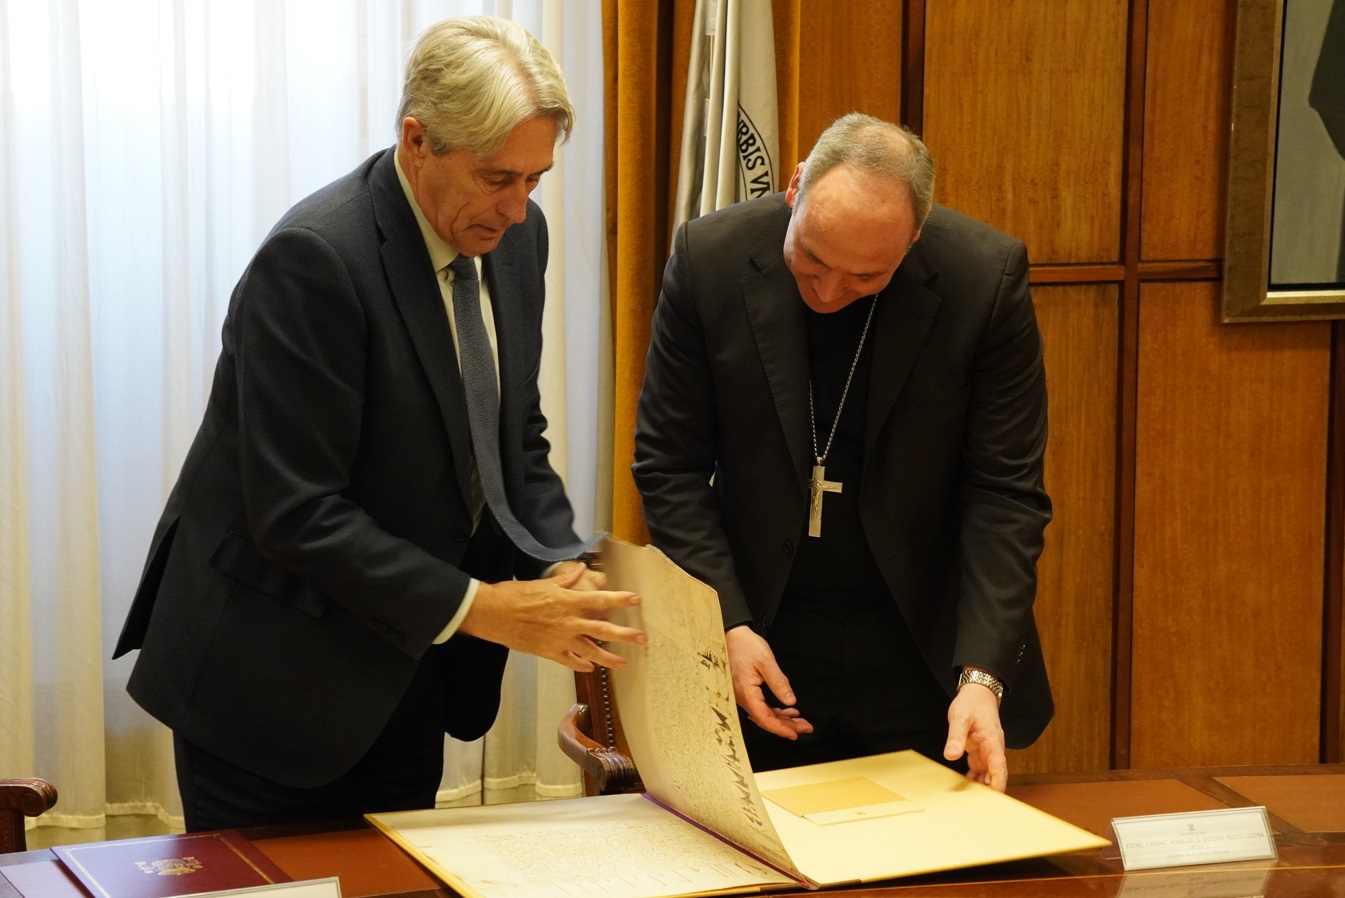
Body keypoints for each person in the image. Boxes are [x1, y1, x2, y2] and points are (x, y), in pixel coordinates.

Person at [113, 16, 646, 831]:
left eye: (535, 179)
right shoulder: (315, 261)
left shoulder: (515, 240)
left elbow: (511, 437)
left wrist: (553, 563)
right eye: (498, 177)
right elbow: (296, 512)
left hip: (403, 669)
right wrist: (484, 608)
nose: (516, 208)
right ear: (416, 140)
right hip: (271, 682)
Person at [633, 112, 1052, 792]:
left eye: (864, 277)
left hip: (920, 653)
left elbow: (1004, 494)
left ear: (912, 238)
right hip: (761, 638)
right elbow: (667, 464)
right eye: (812, 260)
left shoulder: (982, 278)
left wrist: (981, 676)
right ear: (794, 187)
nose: (828, 292)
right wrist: (726, 623)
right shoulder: (708, 258)